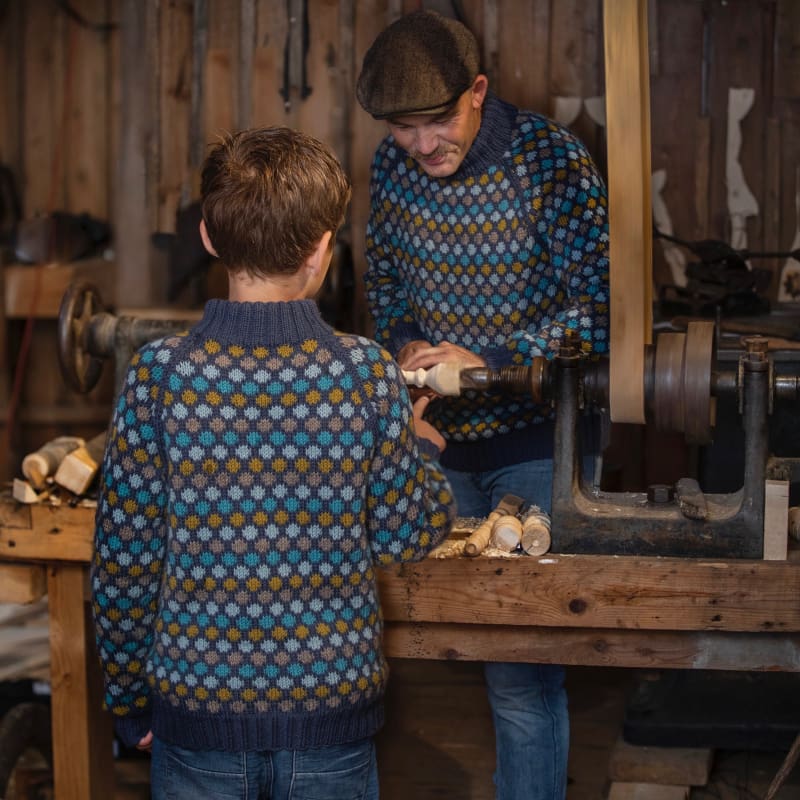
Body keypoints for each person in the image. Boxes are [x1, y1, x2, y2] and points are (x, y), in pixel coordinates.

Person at [91, 126, 456, 800]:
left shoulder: (158, 376)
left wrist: (128, 701)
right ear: (323, 250)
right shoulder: (365, 372)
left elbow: (123, 564)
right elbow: (409, 533)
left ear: (206, 235)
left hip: (195, 716)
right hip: (329, 720)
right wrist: (422, 452)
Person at [356, 10, 610, 800]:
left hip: (541, 441)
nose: (421, 147)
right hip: (440, 440)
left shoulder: (550, 161)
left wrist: (492, 361)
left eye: (436, 124)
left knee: (521, 674)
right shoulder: (391, 169)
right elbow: (387, 284)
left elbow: (600, 309)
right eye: (404, 129)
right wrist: (402, 345)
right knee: (407, 637)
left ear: (478, 92)